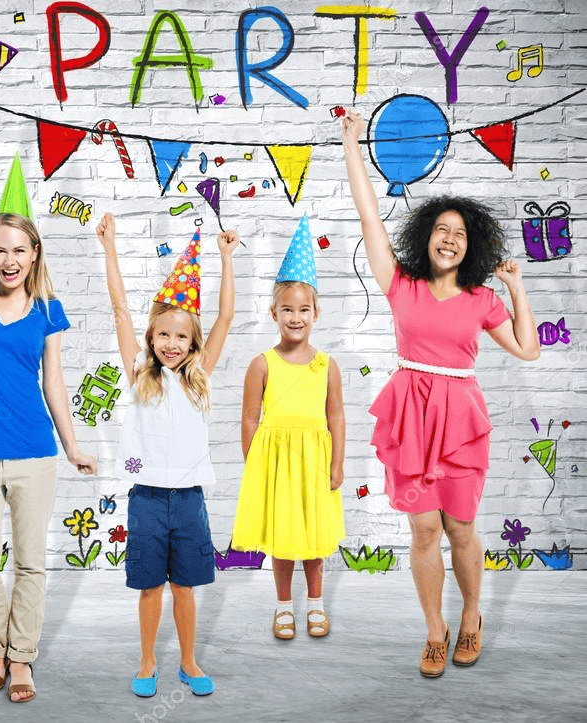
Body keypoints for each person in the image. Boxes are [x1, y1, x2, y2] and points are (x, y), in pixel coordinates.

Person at [342, 109, 540, 677]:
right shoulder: (400, 285)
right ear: (426, 236)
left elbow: (527, 350)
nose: (450, 239)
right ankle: (435, 629)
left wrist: (516, 288)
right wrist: (353, 143)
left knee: (459, 528)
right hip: (410, 414)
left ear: (469, 246)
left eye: (460, 233)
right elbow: (368, 216)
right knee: (423, 529)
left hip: (458, 417)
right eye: (441, 230)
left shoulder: (482, 299)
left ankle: (472, 614)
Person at [0, 117, 96, 703]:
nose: (9, 259)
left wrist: (73, 445)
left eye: (20, 249)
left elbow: (55, 384)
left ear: (35, 253)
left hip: (34, 453)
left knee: (30, 564)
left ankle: (22, 662)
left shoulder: (47, 308)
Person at [96, 210, 238, 698]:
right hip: (148, 497)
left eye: (181, 336)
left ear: (192, 341)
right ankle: (147, 659)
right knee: (150, 586)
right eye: (163, 335)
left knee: (185, 588)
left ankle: (190, 660)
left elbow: (225, 317)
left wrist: (225, 259)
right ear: (152, 339)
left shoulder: (201, 377)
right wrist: (110, 247)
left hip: (191, 499)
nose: (172, 343)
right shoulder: (140, 374)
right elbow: (119, 312)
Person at [230, 215, 346, 641]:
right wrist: (254, 462)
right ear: (273, 311)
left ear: (316, 312)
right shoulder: (262, 363)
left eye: (303, 309)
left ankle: (315, 604)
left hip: (314, 461)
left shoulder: (326, 365)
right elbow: (249, 417)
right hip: (276, 463)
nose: (295, 317)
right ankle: (283, 606)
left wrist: (337, 464)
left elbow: (336, 417)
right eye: (287, 309)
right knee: (283, 538)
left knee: (313, 538)